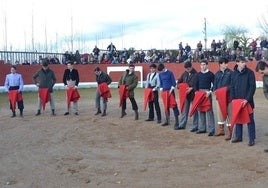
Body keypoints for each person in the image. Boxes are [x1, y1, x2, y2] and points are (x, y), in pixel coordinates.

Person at [230, 56, 256, 146]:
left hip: (247, 101)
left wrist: (247, 99)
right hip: (237, 100)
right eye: (242, 62)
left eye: (244, 62)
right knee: (238, 118)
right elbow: (232, 87)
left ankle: (252, 139)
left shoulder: (250, 73)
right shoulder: (233, 74)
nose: (244, 63)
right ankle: (238, 136)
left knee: (250, 120)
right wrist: (233, 99)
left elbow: (252, 87)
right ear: (237, 63)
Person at [194, 60, 215, 136]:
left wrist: (210, 91)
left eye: (204, 65)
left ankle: (211, 129)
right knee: (201, 110)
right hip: (200, 93)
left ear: (207, 65)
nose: (202, 66)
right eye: (201, 65)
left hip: (207, 93)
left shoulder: (211, 74)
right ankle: (202, 128)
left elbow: (214, 84)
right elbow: (195, 84)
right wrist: (196, 92)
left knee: (209, 111)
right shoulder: (198, 74)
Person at [213, 57, 233, 140]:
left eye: (226, 63)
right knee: (219, 112)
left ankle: (230, 131)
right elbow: (215, 84)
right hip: (219, 96)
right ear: (220, 64)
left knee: (229, 113)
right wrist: (215, 91)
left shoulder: (231, 73)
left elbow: (232, 84)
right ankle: (221, 130)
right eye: (224, 63)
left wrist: (225, 90)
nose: (225, 65)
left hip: (228, 96)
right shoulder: (217, 74)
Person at [176, 61, 199, 131]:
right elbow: (179, 81)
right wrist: (179, 86)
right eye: (186, 69)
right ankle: (182, 124)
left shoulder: (196, 74)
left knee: (195, 110)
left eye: (188, 69)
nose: (187, 70)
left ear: (191, 67)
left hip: (193, 95)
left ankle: (195, 126)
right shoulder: (184, 73)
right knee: (184, 110)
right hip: (185, 95)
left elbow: (197, 85)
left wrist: (191, 88)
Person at [157, 63, 180, 129]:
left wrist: (171, 89)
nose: (161, 72)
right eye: (160, 71)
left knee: (174, 105)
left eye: (162, 70)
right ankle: (167, 120)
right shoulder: (160, 74)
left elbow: (174, 82)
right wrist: (161, 90)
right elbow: (161, 83)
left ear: (164, 68)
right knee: (166, 106)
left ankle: (177, 121)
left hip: (170, 91)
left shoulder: (170, 73)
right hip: (164, 91)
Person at [255, 60, 268, 151]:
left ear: (266, 68)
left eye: (262, 72)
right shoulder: (265, 78)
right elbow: (265, 90)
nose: (262, 74)